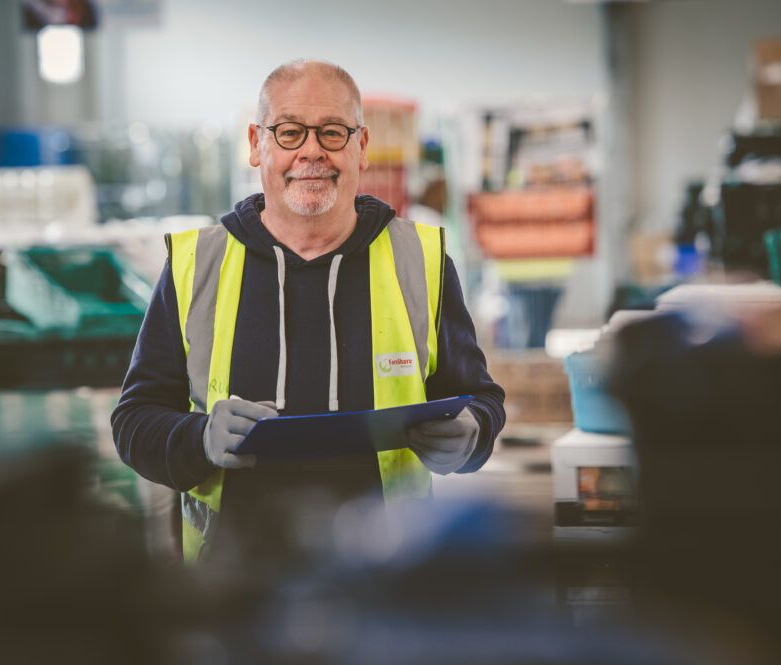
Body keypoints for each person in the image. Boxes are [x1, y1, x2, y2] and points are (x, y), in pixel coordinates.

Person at [112, 60, 505, 563]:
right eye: (290, 132)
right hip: (234, 586)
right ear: (257, 144)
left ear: (361, 147)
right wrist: (199, 437)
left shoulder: (419, 259)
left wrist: (472, 435)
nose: (312, 150)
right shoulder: (198, 264)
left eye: (333, 132)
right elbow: (134, 421)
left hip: (386, 578)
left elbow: (480, 399)